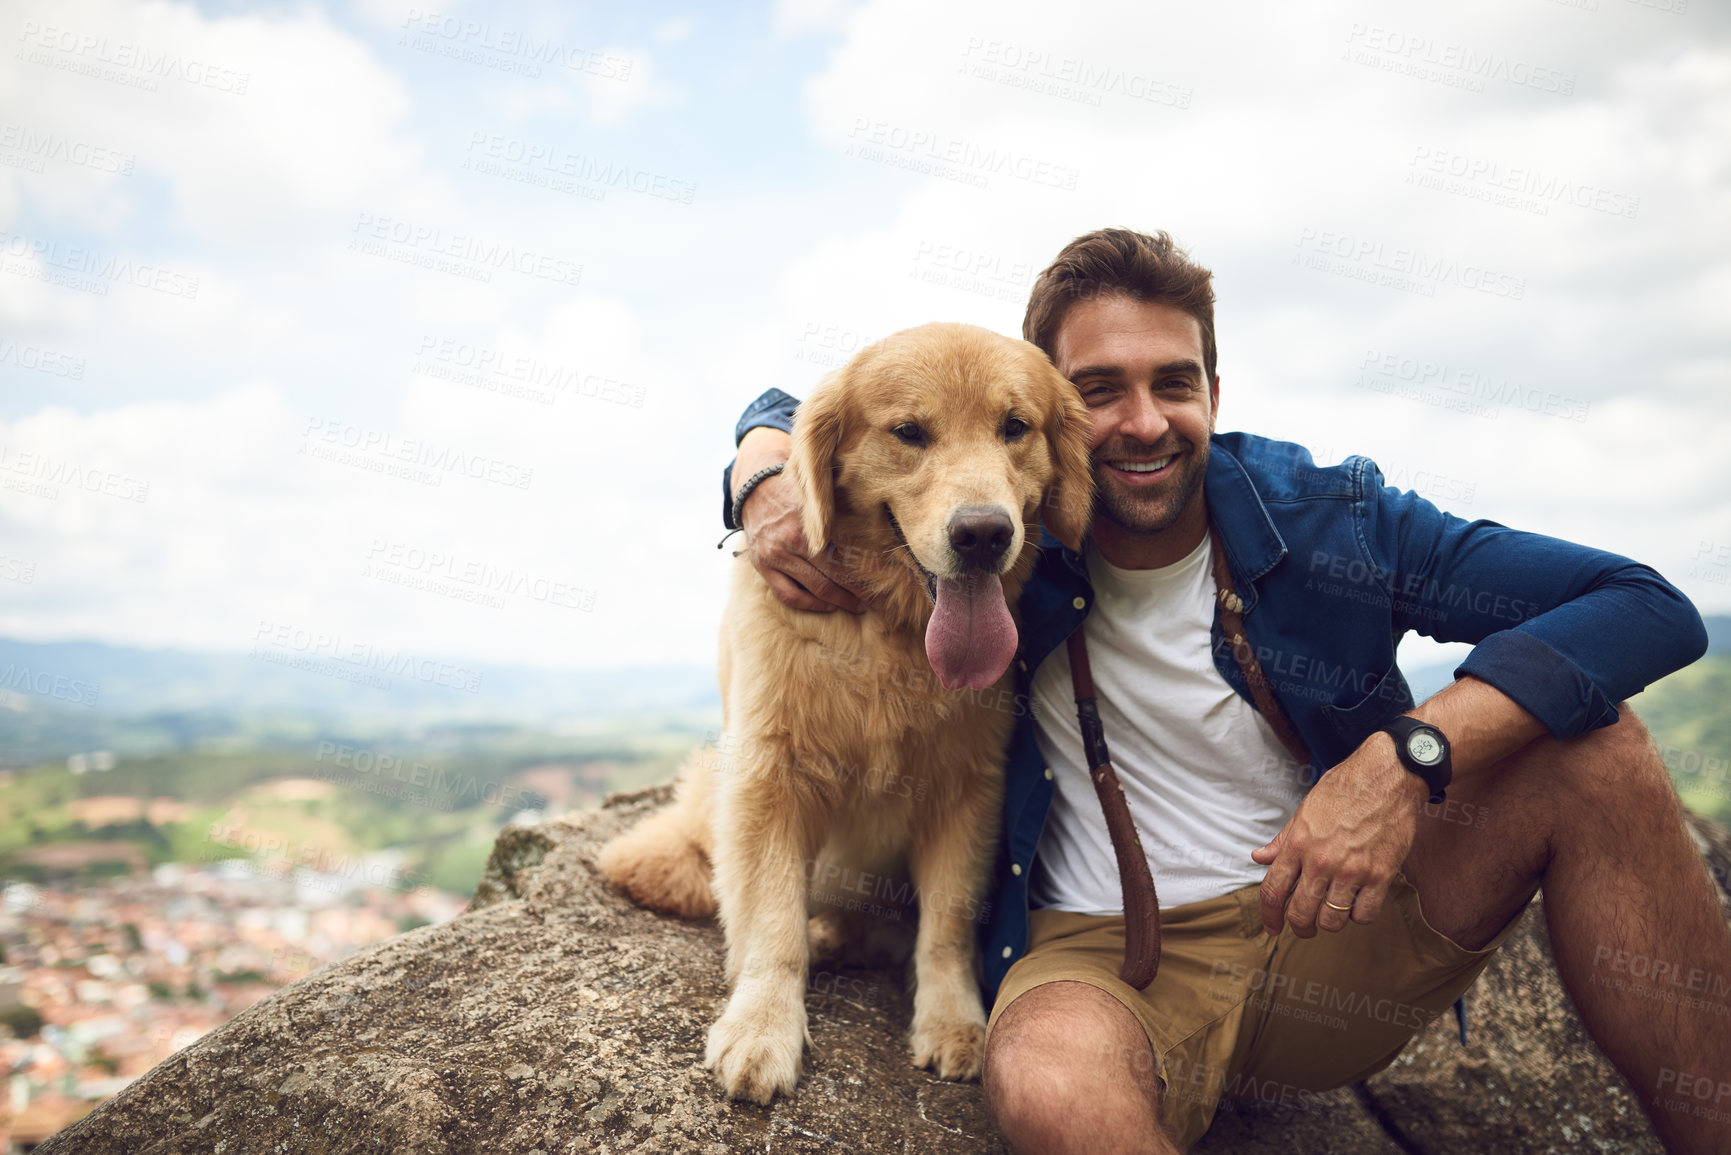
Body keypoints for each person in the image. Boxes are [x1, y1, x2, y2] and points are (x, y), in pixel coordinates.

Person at [719, 228, 1728, 1152]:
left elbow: (1644, 604)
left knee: (1599, 752)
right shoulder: (999, 548)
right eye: (1102, 390)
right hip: (1101, 961)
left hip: (1329, 930)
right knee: (1046, 1084)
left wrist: (1403, 759)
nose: (1145, 423)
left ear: (1214, 388)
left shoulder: (1335, 521)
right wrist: (761, 470)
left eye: (1176, 382)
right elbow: (841, 414)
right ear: (1061, 417)